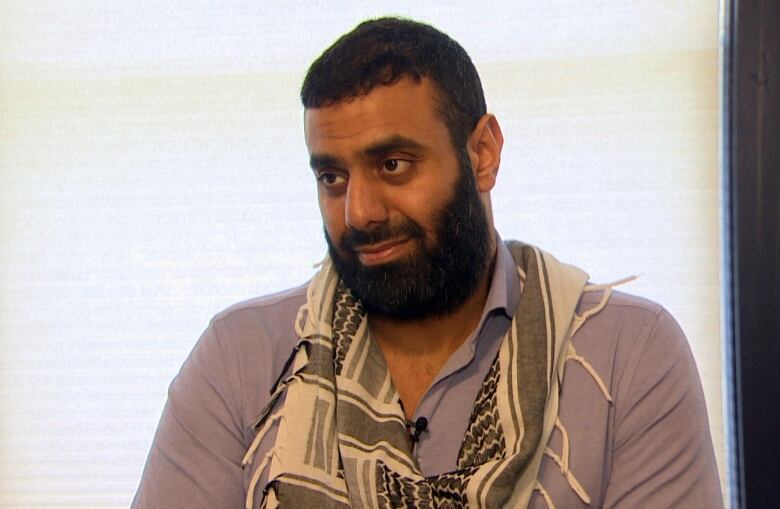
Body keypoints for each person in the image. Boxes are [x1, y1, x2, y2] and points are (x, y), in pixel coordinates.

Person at [131, 17, 723, 509]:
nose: (359, 211)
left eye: (392, 164)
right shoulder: (241, 359)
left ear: (483, 154)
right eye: (332, 177)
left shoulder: (626, 356)